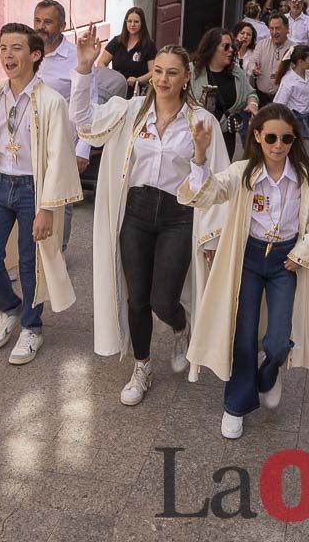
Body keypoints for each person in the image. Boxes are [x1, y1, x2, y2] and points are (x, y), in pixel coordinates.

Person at [69, 27, 231, 404]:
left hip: (179, 214)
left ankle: (180, 324)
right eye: (158, 71)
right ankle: (141, 365)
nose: (162, 79)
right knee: (137, 297)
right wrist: (83, 70)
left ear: (187, 76)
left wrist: (201, 156)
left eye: (172, 73)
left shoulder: (201, 121)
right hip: (138, 212)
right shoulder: (130, 111)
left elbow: (217, 186)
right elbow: (86, 123)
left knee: (163, 300)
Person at [181, 104, 309, 439]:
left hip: (284, 261)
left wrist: (302, 251)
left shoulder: (305, 176)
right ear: (258, 137)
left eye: (287, 138)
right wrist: (201, 155)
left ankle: (268, 375)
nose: (279, 145)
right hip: (248, 258)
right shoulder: (242, 172)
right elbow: (207, 193)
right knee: (243, 333)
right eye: (272, 138)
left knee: (278, 342)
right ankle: (236, 405)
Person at [0, 24, 82, 365]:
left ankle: (31, 326)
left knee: (30, 261)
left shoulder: (51, 101)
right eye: (3, 47)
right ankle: (10, 308)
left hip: (32, 190)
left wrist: (48, 208)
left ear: (35, 55)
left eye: (17, 48)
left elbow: (58, 156)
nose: (8, 55)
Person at [33, 0, 97, 253]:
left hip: (64, 142)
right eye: (37, 20)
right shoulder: (29, 52)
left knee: (61, 198)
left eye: (47, 22)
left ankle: (58, 251)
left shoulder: (76, 58)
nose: (41, 27)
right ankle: (29, 255)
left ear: (62, 25)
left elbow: (91, 103)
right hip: (28, 143)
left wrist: (84, 148)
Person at [190, 27, 259, 159]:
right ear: (212, 47)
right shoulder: (193, 71)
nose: (232, 50)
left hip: (226, 138)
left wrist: (253, 104)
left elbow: (251, 93)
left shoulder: (236, 73)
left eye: (232, 46)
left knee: (220, 177)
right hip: (197, 137)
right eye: (226, 46)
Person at [97, 7, 157, 95]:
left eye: (136, 22)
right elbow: (101, 62)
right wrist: (110, 78)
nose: (132, 24)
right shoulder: (117, 41)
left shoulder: (148, 45)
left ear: (142, 24)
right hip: (116, 91)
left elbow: (153, 71)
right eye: (129, 21)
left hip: (137, 92)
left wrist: (138, 80)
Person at [251, 15, 293, 105]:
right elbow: (252, 63)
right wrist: (254, 69)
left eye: (278, 28)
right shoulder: (261, 45)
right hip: (261, 98)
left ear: (287, 29)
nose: (274, 32)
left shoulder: (294, 49)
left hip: (284, 101)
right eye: (271, 28)